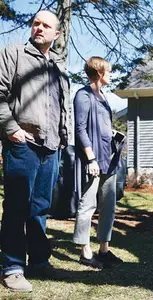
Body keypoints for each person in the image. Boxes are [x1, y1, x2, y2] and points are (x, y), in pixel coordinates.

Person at [0, 10, 69, 292]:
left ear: (56, 34)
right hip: (22, 143)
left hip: (51, 147)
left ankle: (39, 260)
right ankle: (13, 267)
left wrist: (63, 139)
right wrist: (11, 129)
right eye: (36, 23)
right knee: (17, 206)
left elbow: (61, 106)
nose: (39, 28)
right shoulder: (14, 53)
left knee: (41, 207)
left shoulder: (58, 64)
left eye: (46, 25)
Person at [73, 56, 124, 269]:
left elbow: (100, 124)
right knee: (88, 205)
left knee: (109, 206)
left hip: (108, 159)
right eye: (109, 72)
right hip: (92, 160)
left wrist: (111, 133)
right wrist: (90, 158)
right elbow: (80, 129)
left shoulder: (102, 96)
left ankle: (104, 249)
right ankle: (85, 252)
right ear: (100, 72)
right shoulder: (83, 95)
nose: (111, 76)